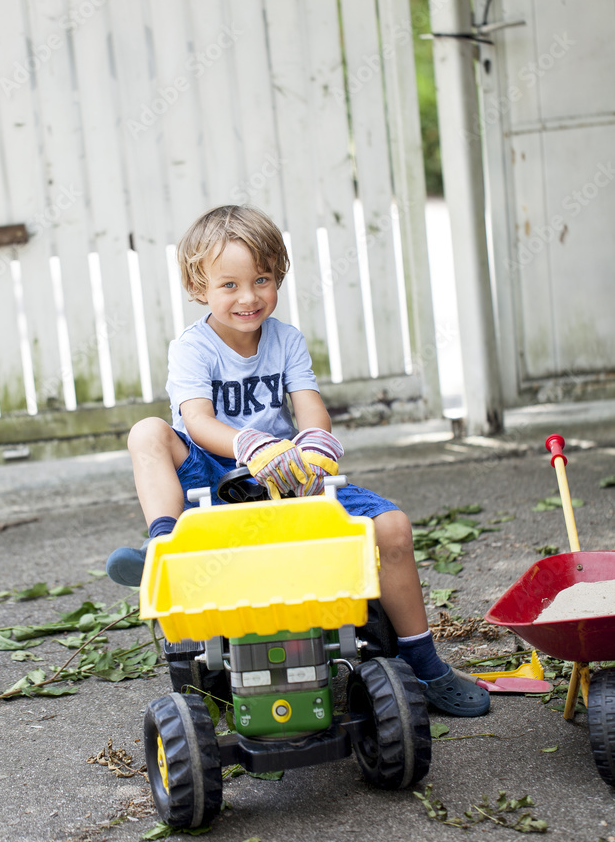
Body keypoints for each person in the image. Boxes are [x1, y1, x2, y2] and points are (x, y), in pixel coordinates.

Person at [106, 205, 489, 717]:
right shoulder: (192, 349)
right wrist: (246, 443)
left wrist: (315, 440)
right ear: (199, 288)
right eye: (230, 285)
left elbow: (308, 403)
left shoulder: (286, 340)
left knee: (393, 528)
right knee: (147, 432)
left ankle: (423, 662)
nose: (249, 297)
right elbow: (195, 420)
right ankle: (163, 542)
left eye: (261, 279)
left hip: (287, 476)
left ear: (277, 276)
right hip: (215, 473)